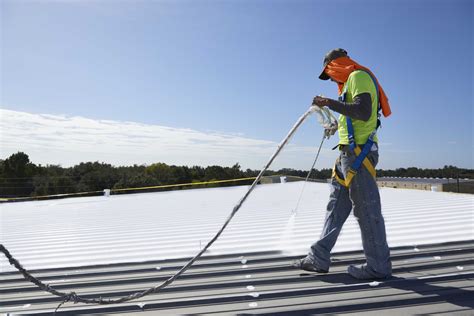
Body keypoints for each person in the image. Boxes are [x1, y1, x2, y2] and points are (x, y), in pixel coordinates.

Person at [293, 48, 392, 280]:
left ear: (336, 65)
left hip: (359, 154)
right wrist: (335, 126)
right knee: (335, 207)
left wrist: (328, 102)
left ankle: (378, 266)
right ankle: (318, 257)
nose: (332, 79)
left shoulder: (358, 77)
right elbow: (352, 118)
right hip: (347, 155)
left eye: (330, 73)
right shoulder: (350, 83)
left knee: (367, 210)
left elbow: (363, 111)